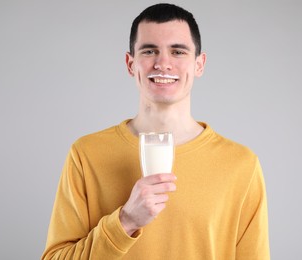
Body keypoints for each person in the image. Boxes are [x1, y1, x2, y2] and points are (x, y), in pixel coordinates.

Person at [42, 3, 270, 259]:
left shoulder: (241, 165)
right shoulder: (86, 154)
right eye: (150, 51)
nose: (163, 63)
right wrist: (125, 222)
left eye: (178, 52)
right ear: (131, 64)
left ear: (199, 64)